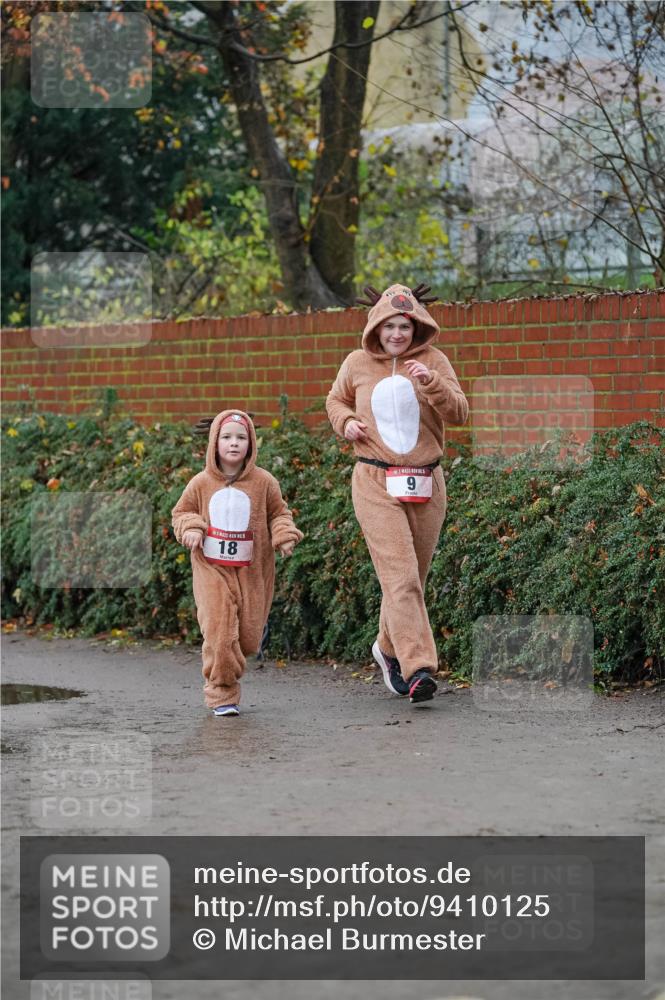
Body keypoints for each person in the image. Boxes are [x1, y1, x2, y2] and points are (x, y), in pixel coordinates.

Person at [326, 283, 469, 705]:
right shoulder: (356, 363)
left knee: (411, 581)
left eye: (404, 326)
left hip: (427, 481)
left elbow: (459, 412)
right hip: (375, 481)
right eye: (389, 326)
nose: (396, 334)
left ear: (416, 326)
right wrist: (346, 421)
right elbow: (334, 400)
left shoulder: (434, 360)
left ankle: (387, 648)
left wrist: (432, 384)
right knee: (401, 577)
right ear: (376, 326)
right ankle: (419, 668)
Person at [172, 409, 303, 717]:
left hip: (252, 570)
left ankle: (230, 663)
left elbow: (279, 514)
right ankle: (222, 693)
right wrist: (191, 528)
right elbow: (182, 512)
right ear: (214, 443)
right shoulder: (201, 483)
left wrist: (284, 536)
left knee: (246, 638)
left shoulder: (264, 482)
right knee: (219, 632)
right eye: (227, 437)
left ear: (251, 443)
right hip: (211, 568)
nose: (234, 444)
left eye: (241, 438)